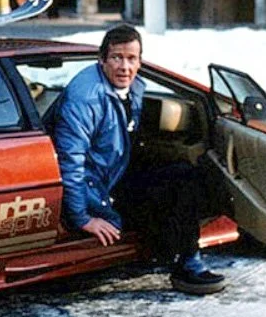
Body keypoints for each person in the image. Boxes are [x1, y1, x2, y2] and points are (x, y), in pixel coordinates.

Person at [46, 24, 227, 295]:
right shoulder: (85, 98)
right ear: (102, 60)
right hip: (95, 189)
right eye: (117, 57)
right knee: (177, 186)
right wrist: (83, 218)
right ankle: (186, 262)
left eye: (131, 59)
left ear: (140, 61)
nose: (124, 67)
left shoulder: (133, 88)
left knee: (184, 172)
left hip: (111, 173)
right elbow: (70, 163)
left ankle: (173, 250)